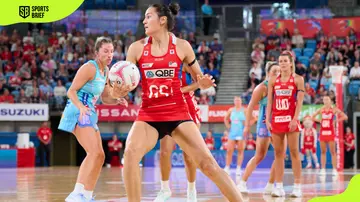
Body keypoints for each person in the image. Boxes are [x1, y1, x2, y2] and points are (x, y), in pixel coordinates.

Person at [123, 3, 243, 201]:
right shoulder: (136, 48)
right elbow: (125, 84)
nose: (144, 21)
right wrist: (118, 90)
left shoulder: (182, 46)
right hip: (149, 114)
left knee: (208, 165)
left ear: (162, 20)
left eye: (148, 16)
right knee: (130, 153)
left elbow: (200, 80)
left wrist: (202, 83)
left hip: (178, 113)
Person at [58, 37, 129, 202]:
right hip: (78, 110)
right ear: (97, 52)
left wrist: (117, 100)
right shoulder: (89, 68)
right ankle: (76, 194)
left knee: (100, 156)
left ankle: (87, 195)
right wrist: (81, 107)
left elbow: (105, 98)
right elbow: (71, 91)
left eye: (111, 51)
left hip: (89, 111)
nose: (110, 54)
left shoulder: (106, 71)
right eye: (106, 51)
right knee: (93, 152)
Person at [154, 64, 201, 202]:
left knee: (188, 155)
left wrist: (180, 90)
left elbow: (200, 83)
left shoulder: (185, 64)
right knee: (164, 153)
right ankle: (165, 189)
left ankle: (191, 190)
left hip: (188, 109)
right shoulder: (160, 63)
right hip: (168, 109)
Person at [266, 51, 304, 197]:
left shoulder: (298, 79)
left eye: (284, 61)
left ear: (290, 63)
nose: (282, 63)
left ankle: (298, 186)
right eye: (280, 61)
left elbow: (299, 101)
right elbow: (270, 101)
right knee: (278, 153)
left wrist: (295, 119)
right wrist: (267, 119)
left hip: (291, 120)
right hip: (276, 119)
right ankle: (279, 186)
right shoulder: (273, 80)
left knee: (294, 152)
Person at [238, 62, 280, 194]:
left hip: (278, 122)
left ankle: (270, 185)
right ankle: (242, 182)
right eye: (274, 71)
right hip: (263, 123)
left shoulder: (282, 86)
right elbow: (250, 106)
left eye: (279, 71)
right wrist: (246, 126)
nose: (278, 74)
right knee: (260, 155)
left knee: (280, 154)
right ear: (268, 73)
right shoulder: (262, 88)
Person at [311, 96, 348, 176]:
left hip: (330, 132)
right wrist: (320, 121)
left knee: (333, 152)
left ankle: (334, 169)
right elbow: (312, 117)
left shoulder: (334, 109)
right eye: (324, 100)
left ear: (330, 101)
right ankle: (323, 169)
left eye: (327, 99)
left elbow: (345, 116)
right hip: (323, 132)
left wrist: (336, 121)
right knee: (323, 151)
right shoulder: (321, 109)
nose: (325, 101)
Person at [223, 96, 247, 175]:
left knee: (240, 151)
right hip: (232, 133)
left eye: (238, 100)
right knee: (229, 150)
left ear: (241, 101)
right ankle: (227, 167)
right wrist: (228, 126)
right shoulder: (231, 110)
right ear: (234, 102)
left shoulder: (244, 110)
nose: (237, 102)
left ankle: (238, 168)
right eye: (236, 100)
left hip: (241, 133)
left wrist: (246, 126)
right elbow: (226, 119)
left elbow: (253, 118)